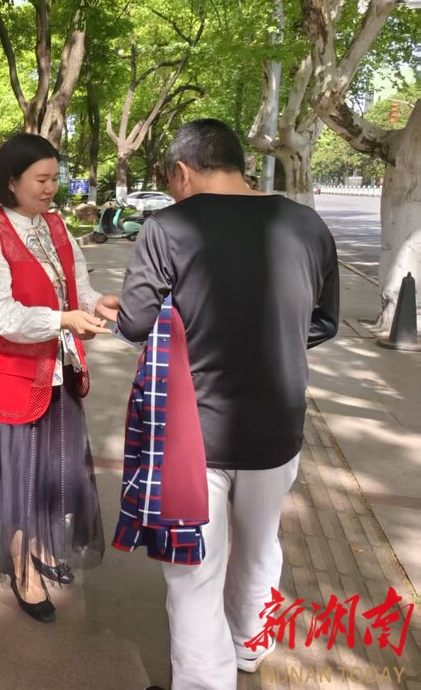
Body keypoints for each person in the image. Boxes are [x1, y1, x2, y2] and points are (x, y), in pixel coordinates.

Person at [117, 119, 339, 689]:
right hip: (278, 425)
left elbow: (135, 321)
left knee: (193, 569)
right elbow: (323, 322)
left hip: (193, 432)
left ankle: (204, 681)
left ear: (182, 171)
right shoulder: (307, 224)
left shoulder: (167, 228)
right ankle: (248, 646)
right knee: (260, 547)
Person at [0, 133, 118, 623]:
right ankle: (23, 569)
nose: (50, 188)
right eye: (40, 180)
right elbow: (0, 315)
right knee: (20, 480)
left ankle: (39, 548)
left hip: (56, 372)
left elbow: (76, 286)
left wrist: (97, 304)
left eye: (53, 179)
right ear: (12, 182)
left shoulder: (56, 227)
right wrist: (62, 319)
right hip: (11, 380)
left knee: (50, 474)